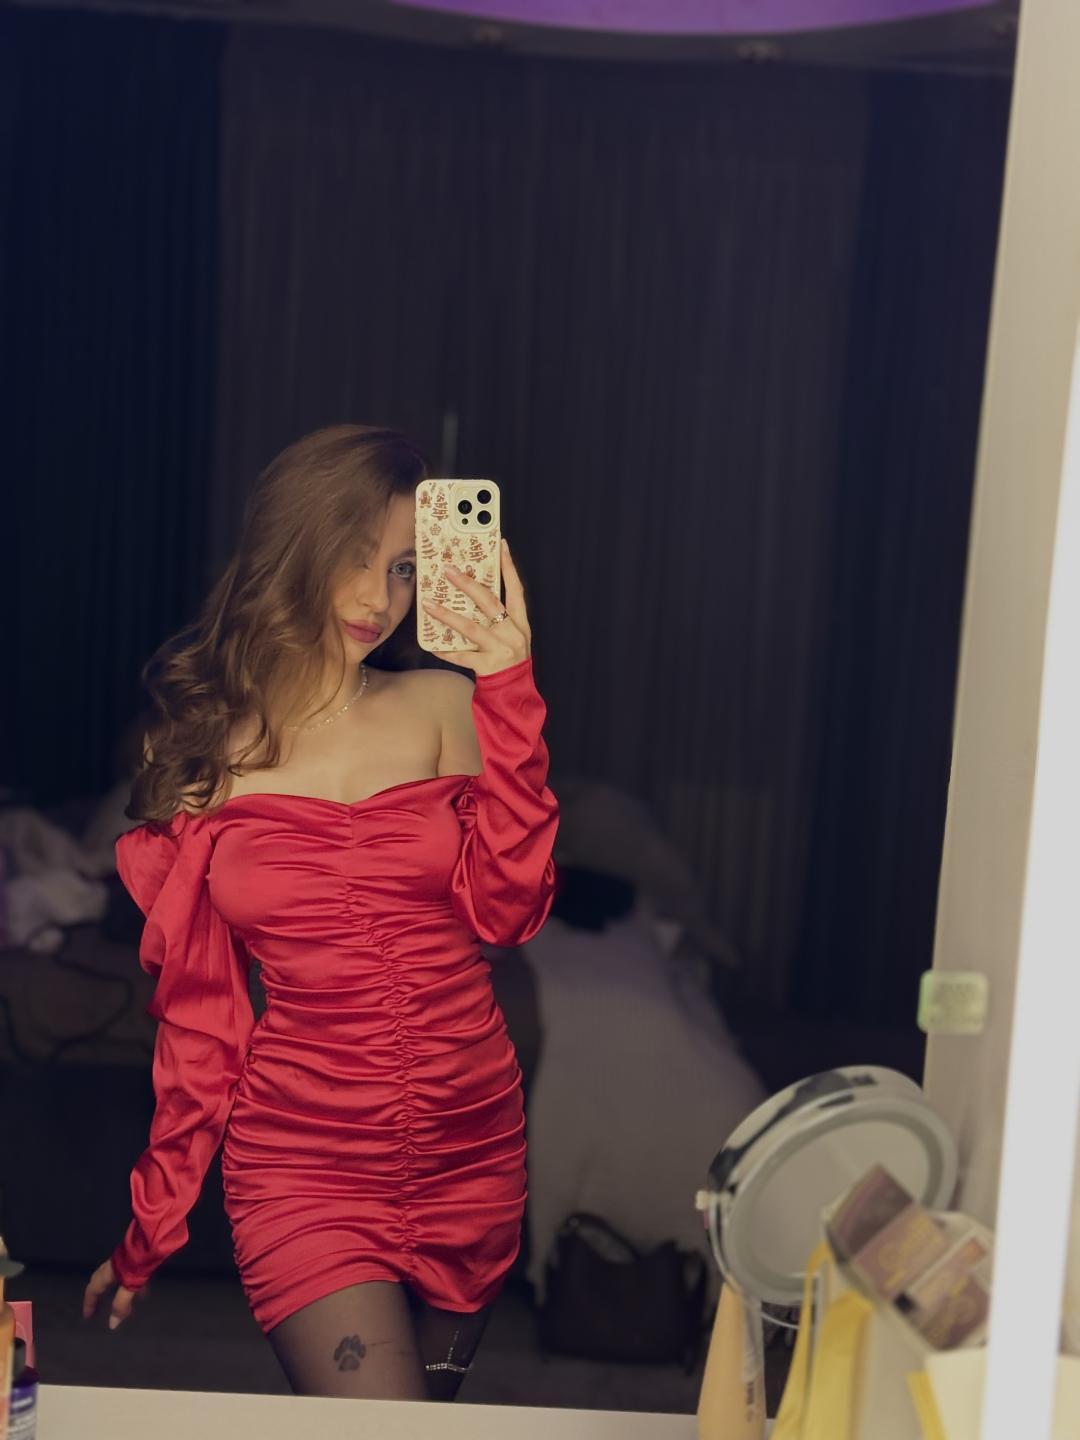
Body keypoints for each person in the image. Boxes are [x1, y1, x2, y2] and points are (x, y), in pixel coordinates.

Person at [81, 424, 560, 1401]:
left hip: (471, 1145)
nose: (377, 599)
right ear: (289, 546)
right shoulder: (201, 751)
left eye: (403, 568)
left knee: (425, 1424)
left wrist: (508, 688)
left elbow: (509, 914)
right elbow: (201, 1023)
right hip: (304, 1162)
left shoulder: (446, 704)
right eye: (351, 557)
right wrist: (152, 1224)